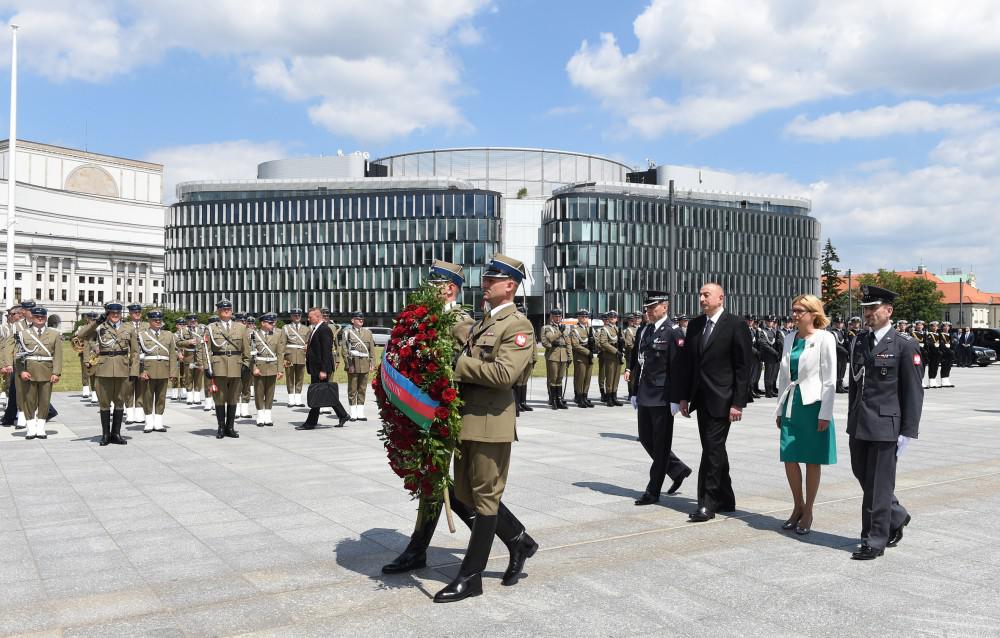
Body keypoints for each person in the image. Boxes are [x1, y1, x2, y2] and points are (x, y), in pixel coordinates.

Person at [385, 260, 533, 579]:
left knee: (469, 491)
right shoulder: (425, 319)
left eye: (434, 285)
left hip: (455, 414)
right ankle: (512, 539)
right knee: (445, 486)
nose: (427, 291)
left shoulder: (461, 321)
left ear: (450, 288)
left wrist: (451, 368)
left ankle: (507, 543)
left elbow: (481, 364)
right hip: (433, 413)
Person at [434, 254, 537, 603]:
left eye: (493, 279)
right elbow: (462, 339)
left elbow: (504, 375)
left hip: (492, 423)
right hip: (467, 420)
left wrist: (458, 363)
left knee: (486, 498)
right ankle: (518, 540)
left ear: (509, 286)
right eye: (486, 278)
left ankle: (471, 576)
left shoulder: (518, 326)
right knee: (464, 495)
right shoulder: (483, 323)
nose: (485, 283)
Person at [848, 285, 923, 560]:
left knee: (878, 486)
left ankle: (874, 540)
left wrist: (908, 432)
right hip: (859, 423)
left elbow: (914, 391)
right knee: (863, 476)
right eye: (865, 309)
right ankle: (897, 514)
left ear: (888, 311)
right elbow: (856, 385)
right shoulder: (859, 340)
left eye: (873, 308)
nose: (868, 313)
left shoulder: (904, 344)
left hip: (886, 425)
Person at [676, 283, 752, 522]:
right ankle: (726, 498)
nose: (701, 298)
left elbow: (743, 367)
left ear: (721, 298)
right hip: (701, 398)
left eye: (706, 295)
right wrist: (683, 396)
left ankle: (706, 504)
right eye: (700, 295)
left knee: (711, 450)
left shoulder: (736, 324)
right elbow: (687, 363)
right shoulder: (696, 325)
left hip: (724, 398)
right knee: (715, 448)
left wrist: (738, 402)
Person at [774, 295, 837, 535]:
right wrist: (779, 407)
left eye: (800, 310)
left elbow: (830, 379)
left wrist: (825, 413)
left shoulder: (824, 338)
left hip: (813, 404)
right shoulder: (790, 338)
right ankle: (797, 506)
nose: (795, 314)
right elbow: (784, 375)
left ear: (813, 313)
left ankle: (808, 510)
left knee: (812, 459)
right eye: (793, 310)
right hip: (792, 403)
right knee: (789, 455)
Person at [626, 291, 693, 505]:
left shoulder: (673, 332)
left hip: (663, 396)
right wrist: (634, 392)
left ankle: (652, 491)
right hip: (645, 393)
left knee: (661, 444)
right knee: (646, 439)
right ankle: (677, 469)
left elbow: (680, 367)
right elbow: (638, 361)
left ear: (665, 307)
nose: (648, 311)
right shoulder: (644, 330)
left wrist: (677, 397)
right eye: (646, 308)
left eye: (653, 307)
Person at [77, 302, 139, 446]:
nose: (115, 315)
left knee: (119, 401)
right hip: (103, 369)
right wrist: (97, 322)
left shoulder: (128, 328)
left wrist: (134, 370)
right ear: (107, 313)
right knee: (104, 403)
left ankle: (116, 434)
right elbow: (81, 335)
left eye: (118, 313)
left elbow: (135, 352)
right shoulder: (99, 327)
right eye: (112, 313)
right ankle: (105, 435)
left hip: (122, 369)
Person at [205, 300, 251, 439]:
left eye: (229, 308)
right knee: (219, 398)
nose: (226, 310)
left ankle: (230, 427)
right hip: (219, 364)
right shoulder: (211, 328)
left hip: (236, 365)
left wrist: (246, 364)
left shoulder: (241, 327)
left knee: (233, 397)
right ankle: (220, 427)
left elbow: (246, 348)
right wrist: (207, 366)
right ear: (218, 311)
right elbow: (205, 349)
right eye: (223, 309)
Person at [299, 307, 350, 429]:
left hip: (320, 368)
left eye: (310, 317)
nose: (308, 319)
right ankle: (342, 414)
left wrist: (323, 370)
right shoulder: (316, 329)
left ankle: (311, 422)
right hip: (316, 367)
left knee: (317, 393)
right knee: (325, 392)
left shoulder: (324, 329)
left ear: (318, 316)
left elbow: (326, 351)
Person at [15, 307, 62, 440]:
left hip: (47, 372)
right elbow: (18, 356)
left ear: (46, 318)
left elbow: (58, 355)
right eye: (37, 317)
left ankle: (41, 427)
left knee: (44, 400)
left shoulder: (54, 334)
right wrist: (21, 371)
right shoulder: (23, 334)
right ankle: (30, 428)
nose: (39, 319)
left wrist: (56, 373)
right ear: (32, 318)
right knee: (29, 400)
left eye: (42, 317)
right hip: (29, 371)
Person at [137, 310, 176, 433]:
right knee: (147, 396)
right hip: (148, 371)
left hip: (164, 370)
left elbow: (173, 355)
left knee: (161, 397)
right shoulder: (142, 335)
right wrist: (141, 371)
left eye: (159, 319)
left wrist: (173, 372)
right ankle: (148, 422)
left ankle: (158, 423)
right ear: (149, 321)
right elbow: (136, 355)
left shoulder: (169, 335)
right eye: (154, 320)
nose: (158, 321)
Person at [251, 313, 285, 427]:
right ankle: (260, 415)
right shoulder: (254, 335)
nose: (272, 324)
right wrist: (254, 368)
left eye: (273, 323)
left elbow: (280, 353)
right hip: (259, 366)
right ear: (263, 323)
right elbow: (251, 354)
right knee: (259, 392)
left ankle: (268, 415)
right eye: (270, 323)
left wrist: (280, 370)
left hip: (272, 366)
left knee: (270, 392)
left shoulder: (277, 335)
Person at [342, 311, 376, 421]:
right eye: (358, 319)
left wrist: (372, 364)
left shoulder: (368, 333)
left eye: (362, 319)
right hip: (353, 363)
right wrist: (349, 364)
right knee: (352, 389)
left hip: (365, 364)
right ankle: (353, 412)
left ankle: (360, 412)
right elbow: (344, 350)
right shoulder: (347, 332)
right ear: (352, 320)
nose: (361, 320)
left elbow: (372, 350)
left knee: (362, 388)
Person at [539, 308, 571, 409]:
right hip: (553, 355)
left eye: (559, 316)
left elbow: (568, 342)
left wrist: (570, 356)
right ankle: (552, 400)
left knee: (560, 379)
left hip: (563, 355)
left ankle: (559, 399)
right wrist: (559, 332)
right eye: (556, 316)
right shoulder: (547, 328)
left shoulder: (564, 328)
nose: (558, 318)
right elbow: (550, 339)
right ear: (551, 317)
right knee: (553, 379)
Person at [123, 303, 149, 425]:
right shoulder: (124, 326)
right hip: (129, 361)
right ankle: (129, 414)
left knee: (142, 386)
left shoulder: (147, 325)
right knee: (128, 387)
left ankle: (139, 413)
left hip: (144, 360)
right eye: (134, 312)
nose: (137, 314)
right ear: (130, 314)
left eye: (138, 312)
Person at [596, 310, 624, 406]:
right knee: (610, 377)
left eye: (614, 317)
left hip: (618, 356)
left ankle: (614, 396)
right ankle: (609, 397)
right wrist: (615, 351)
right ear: (608, 318)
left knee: (616, 377)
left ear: (617, 319)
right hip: (610, 356)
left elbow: (622, 341)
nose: (613, 319)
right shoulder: (605, 329)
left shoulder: (618, 329)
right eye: (611, 317)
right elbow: (603, 342)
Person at [568, 309, 595, 408]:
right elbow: (575, 345)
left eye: (586, 316)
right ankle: (579, 398)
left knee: (587, 378)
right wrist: (588, 352)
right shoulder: (575, 330)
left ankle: (585, 396)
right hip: (580, 358)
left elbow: (594, 343)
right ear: (578, 318)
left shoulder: (590, 329)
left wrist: (593, 344)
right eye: (582, 316)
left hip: (589, 358)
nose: (584, 318)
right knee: (580, 378)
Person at [282, 308, 309, 407]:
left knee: (300, 377)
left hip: (302, 356)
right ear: (291, 316)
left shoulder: (306, 329)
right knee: (289, 377)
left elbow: (307, 343)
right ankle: (291, 399)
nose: (297, 317)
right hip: (289, 356)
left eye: (299, 315)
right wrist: (283, 358)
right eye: (295, 315)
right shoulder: (286, 328)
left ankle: (298, 399)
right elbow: (282, 344)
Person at [513, 304, 535, 414]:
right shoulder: (515, 325)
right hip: (520, 358)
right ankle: (517, 403)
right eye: (521, 312)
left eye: (524, 313)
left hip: (529, 358)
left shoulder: (528, 324)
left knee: (524, 381)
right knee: (518, 381)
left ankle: (523, 402)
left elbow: (533, 342)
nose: (523, 314)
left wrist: (534, 356)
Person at [830, 316, 849, 394]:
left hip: (843, 355)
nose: (840, 324)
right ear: (834, 324)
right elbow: (835, 345)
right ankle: (837, 387)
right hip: (838, 354)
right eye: (838, 323)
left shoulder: (843, 332)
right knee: (838, 370)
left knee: (842, 370)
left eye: (841, 323)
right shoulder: (832, 333)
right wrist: (845, 351)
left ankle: (840, 385)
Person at [170, 316, 187, 400]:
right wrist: (178, 355)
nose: (182, 326)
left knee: (184, 376)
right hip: (176, 357)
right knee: (174, 376)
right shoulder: (173, 336)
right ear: (176, 325)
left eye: (184, 324)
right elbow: (172, 348)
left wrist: (184, 355)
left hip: (185, 357)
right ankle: (174, 393)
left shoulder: (187, 335)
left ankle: (184, 393)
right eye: (180, 324)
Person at [924, 320, 941, 388]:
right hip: (932, 353)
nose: (935, 328)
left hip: (937, 353)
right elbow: (930, 344)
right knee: (932, 367)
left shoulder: (938, 334)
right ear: (931, 327)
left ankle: (934, 380)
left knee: (936, 367)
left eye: (936, 326)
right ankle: (931, 380)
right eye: (933, 326)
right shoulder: (929, 335)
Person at [938, 321, 955, 387]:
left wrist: (952, 350)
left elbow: (952, 343)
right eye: (945, 326)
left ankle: (947, 379)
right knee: (944, 367)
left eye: (948, 326)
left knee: (948, 367)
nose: (946, 328)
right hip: (944, 353)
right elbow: (941, 344)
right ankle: (943, 381)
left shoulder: (950, 335)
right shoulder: (940, 335)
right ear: (942, 327)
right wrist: (948, 350)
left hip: (950, 354)